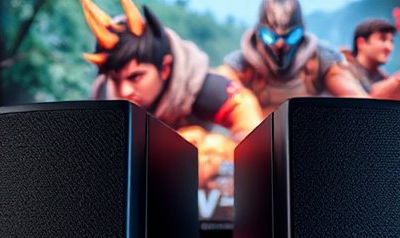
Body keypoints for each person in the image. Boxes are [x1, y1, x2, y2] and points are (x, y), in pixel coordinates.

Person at [80, 0, 261, 141]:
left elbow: (248, 121)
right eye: (115, 79)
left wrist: (220, 151)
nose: (124, 91)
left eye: (135, 77)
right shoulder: (103, 95)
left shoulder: (200, 87)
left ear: (164, 68)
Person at [219, 0, 366, 116]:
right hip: (257, 140)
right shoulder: (242, 64)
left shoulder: (320, 60)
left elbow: (359, 102)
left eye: (291, 36)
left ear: (301, 33)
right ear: (259, 32)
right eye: (270, 36)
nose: (280, 44)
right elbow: (216, 95)